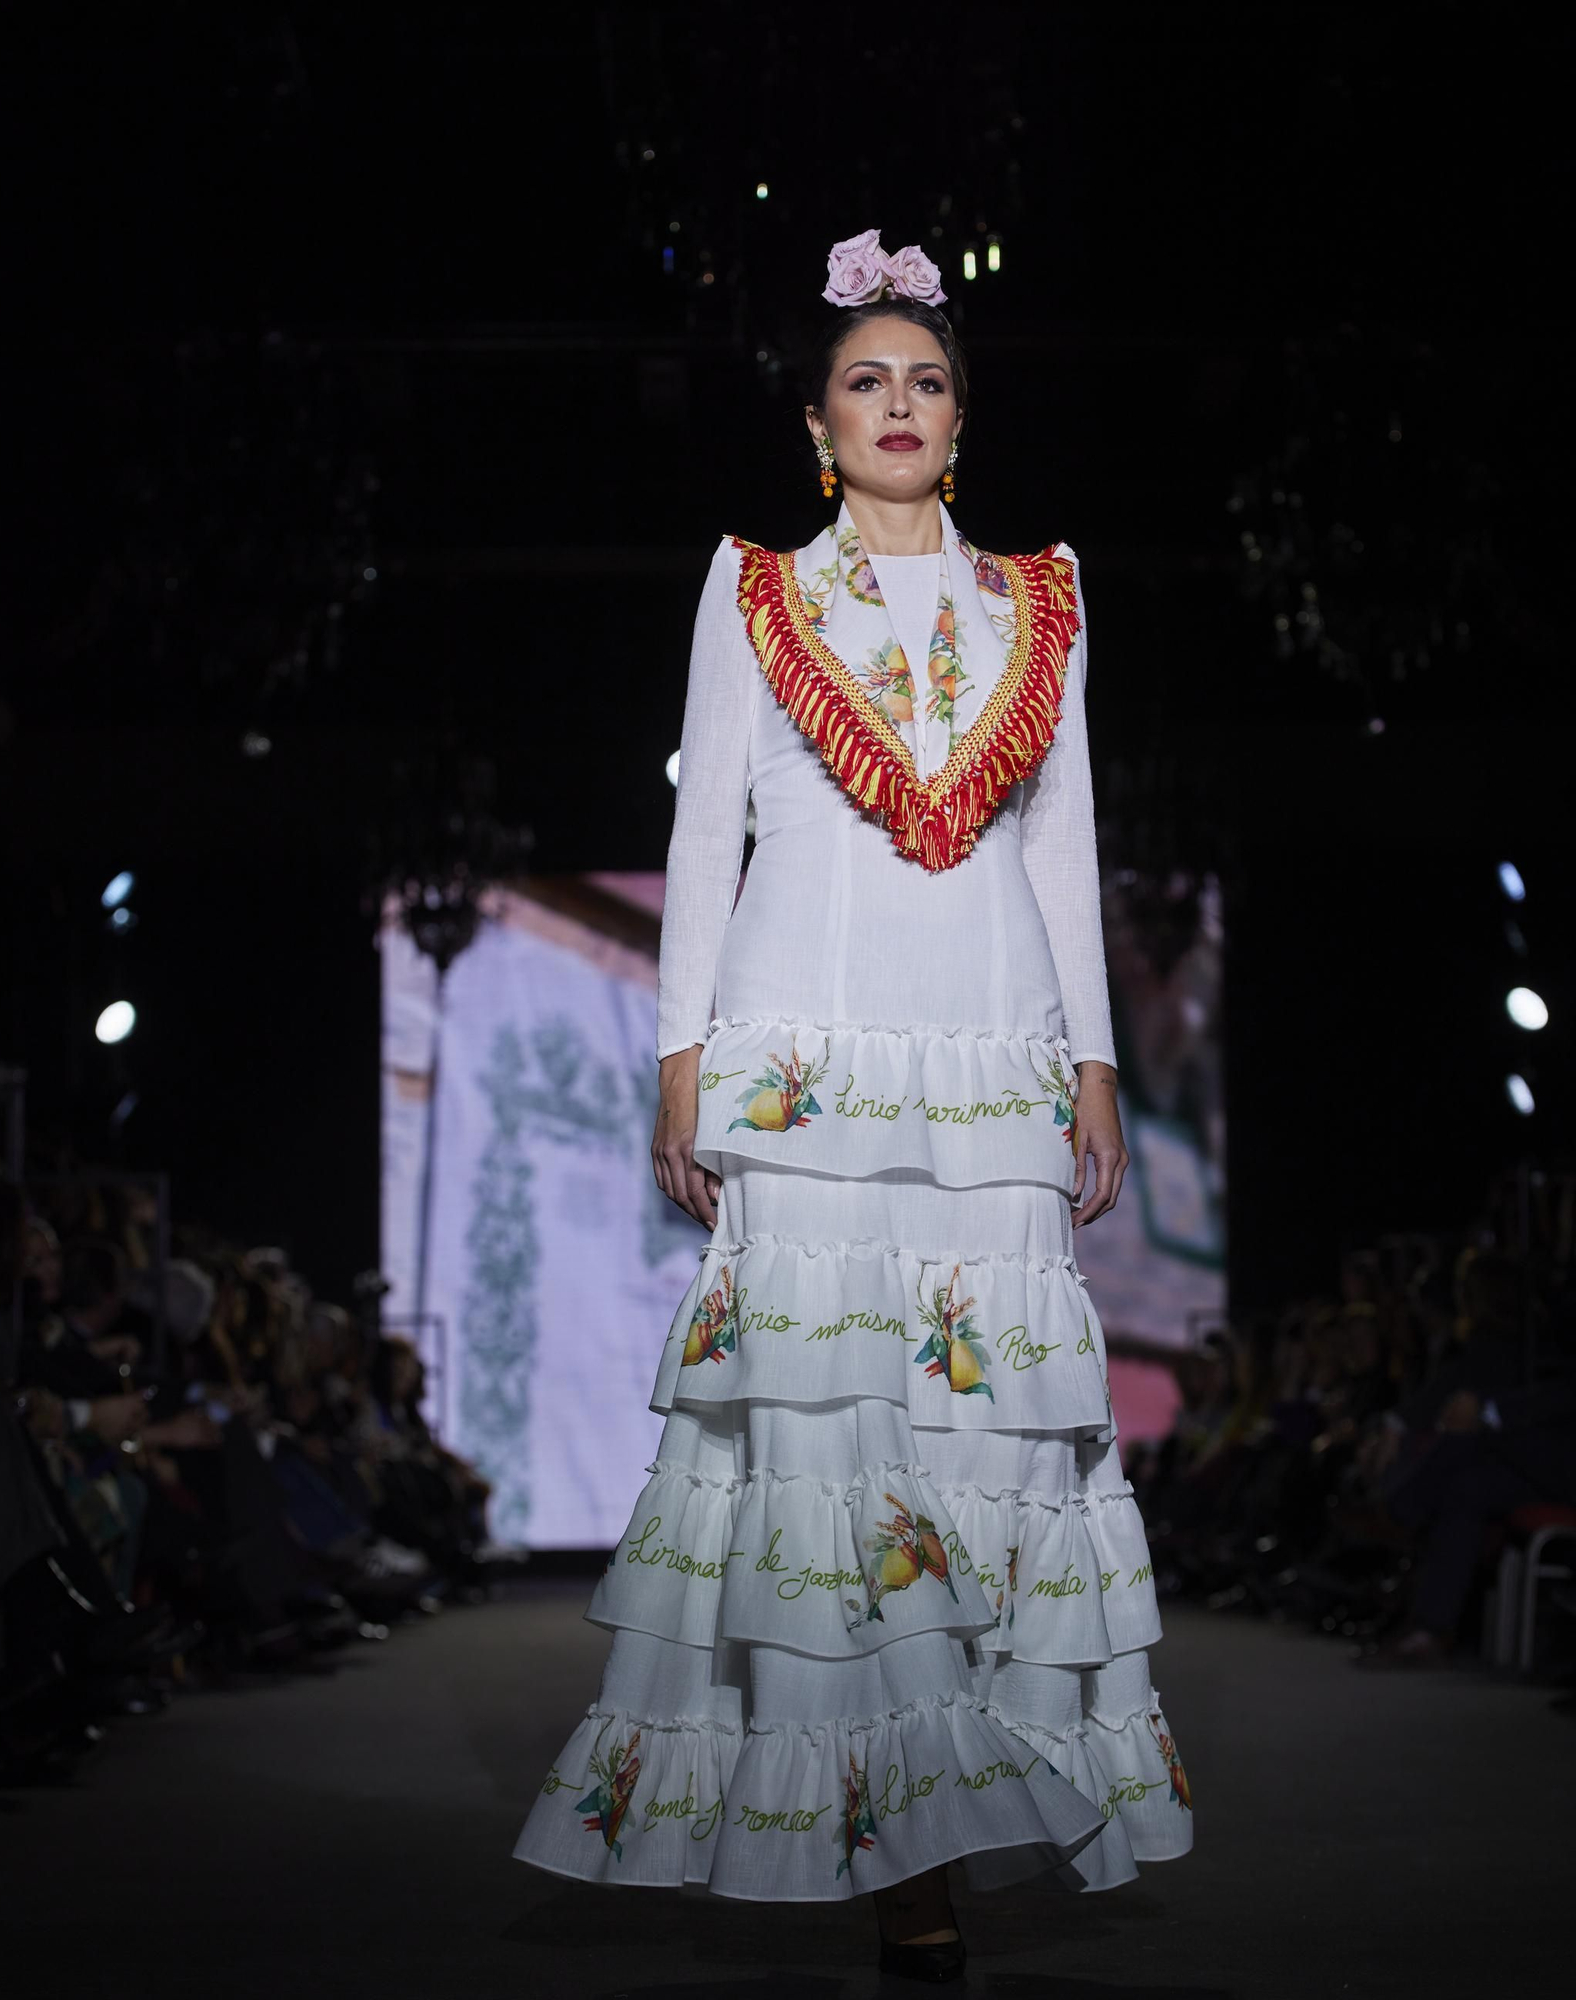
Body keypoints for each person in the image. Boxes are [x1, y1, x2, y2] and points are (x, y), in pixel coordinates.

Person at [514, 231, 1192, 1980]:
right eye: (866, 380)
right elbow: (706, 825)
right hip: (803, 1055)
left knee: (979, 1440)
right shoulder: (757, 590)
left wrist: (1095, 1065)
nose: (899, 403)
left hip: (991, 1062)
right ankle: (903, 1845)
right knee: (835, 1444)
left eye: (929, 378)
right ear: (822, 424)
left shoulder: (1041, 599)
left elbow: (1063, 840)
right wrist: (680, 1052)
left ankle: (965, 1798)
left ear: (960, 419)